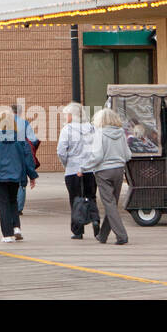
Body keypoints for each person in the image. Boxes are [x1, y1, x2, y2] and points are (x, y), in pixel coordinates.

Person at [83, 108, 132, 245]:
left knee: (109, 204)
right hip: (119, 170)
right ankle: (102, 236)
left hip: (103, 171)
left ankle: (122, 235)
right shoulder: (121, 132)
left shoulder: (99, 133)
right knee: (112, 204)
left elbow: (97, 155)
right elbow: (128, 154)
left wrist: (84, 167)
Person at [0, 109, 37, 243]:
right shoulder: (19, 137)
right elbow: (27, 157)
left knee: (3, 204)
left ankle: (7, 234)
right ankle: (16, 228)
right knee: (13, 201)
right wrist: (31, 175)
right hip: (15, 174)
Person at [56, 103, 98, 240]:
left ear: (70, 116)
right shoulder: (92, 128)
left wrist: (66, 164)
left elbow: (61, 151)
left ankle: (78, 230)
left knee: (75, 199)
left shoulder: (67, 130)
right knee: (91, 196)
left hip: (73, 169)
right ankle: (95, 219)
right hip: (91, 169)